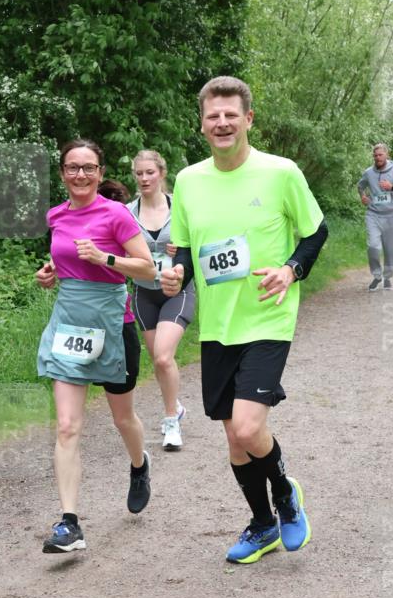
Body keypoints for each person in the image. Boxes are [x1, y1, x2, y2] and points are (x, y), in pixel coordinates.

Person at [160, 76, 327, 564]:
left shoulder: (281, 172)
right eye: (213, 116)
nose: (223, 122)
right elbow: (188, 250)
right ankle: (262, 525)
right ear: (202, 125)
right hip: (218, 326)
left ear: (248, 119)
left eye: (232, 114)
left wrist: (291, 270)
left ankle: (285, 493)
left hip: (268, 318)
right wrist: (176, 275)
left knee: (250, 428)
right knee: (234, 436)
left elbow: (316, 232)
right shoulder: (189, 181)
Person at [36, 139, 157, 553]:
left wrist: (105, 259)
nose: (81, 175)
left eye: (89, 168)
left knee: (123, 419)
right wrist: (53, 272)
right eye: (73, 167)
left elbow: (146, 267)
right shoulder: (56, 215)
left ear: (100, 173)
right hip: (69, 325)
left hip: (112, 327)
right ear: (63, 173)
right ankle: (69, 523)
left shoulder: (116, 214)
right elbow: (65, 257)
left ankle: (139, 466)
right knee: (68, 426)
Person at [128, 150, 196, 451]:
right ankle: (176, 405)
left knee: (164, 357)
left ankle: (171, 422)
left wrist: (181, 253)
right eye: (139, 173)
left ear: (161, 173)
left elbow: (199, 241)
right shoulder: (127, 212)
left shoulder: (179, 207)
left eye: (149, 173)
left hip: (176, 291)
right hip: (143, 293)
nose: (144, 178)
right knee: (158, 361)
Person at [357, 143, 393, 290]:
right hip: (373, 214)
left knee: (390, 250)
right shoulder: (368, 172)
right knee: (373, 246)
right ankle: (377, 275)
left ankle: (387, 277)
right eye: (375, 155)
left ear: (387, 155)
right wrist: (363, 196)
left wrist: (392, 187)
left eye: (380, 155)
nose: (378, 158)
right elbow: (360, 186)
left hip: (392, 215)